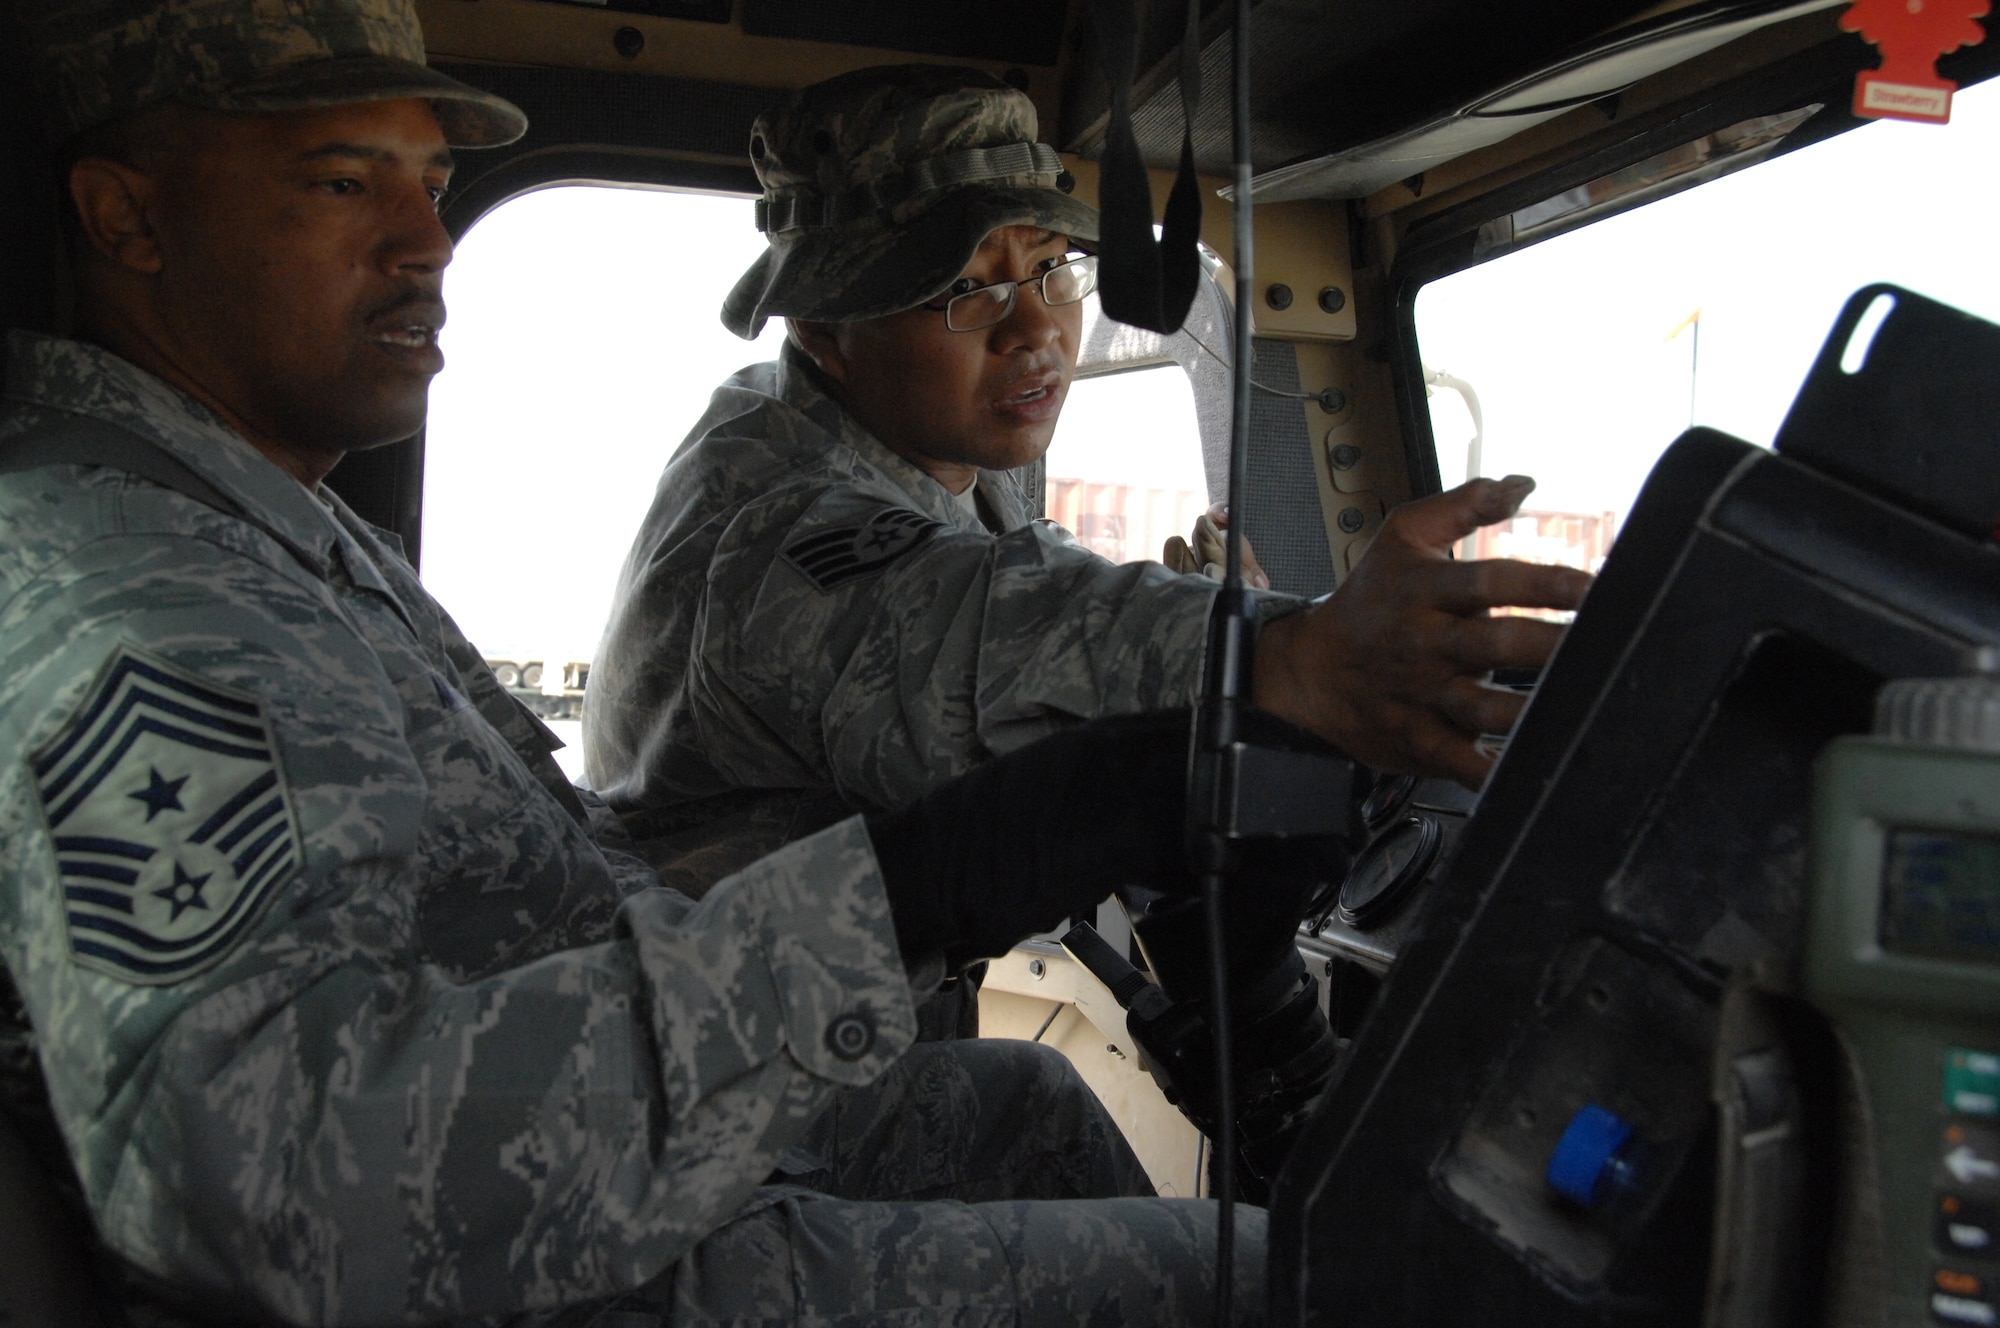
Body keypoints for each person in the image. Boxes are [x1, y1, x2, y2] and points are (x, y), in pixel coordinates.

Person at [0, 2, 1276, 1322]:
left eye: (435, 187)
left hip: (581, 1132)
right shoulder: (136, 586)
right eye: (340, 181)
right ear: (126, 218)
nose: (427, 242)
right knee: (1252, 1282)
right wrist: (904, 896)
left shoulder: (265, 516)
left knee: (1031, 1106)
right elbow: (276, 1186)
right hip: (508, 1259)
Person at [582, 65, 1590, 886]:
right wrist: (1289, 655)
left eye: (1051, 266)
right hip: (718, 1076)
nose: (1035, 331)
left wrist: (1216, 616)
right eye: (961, 290)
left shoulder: (937, 442)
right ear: (824, 331)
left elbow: (1022, 587)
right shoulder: (773, 528)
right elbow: (945, 631)